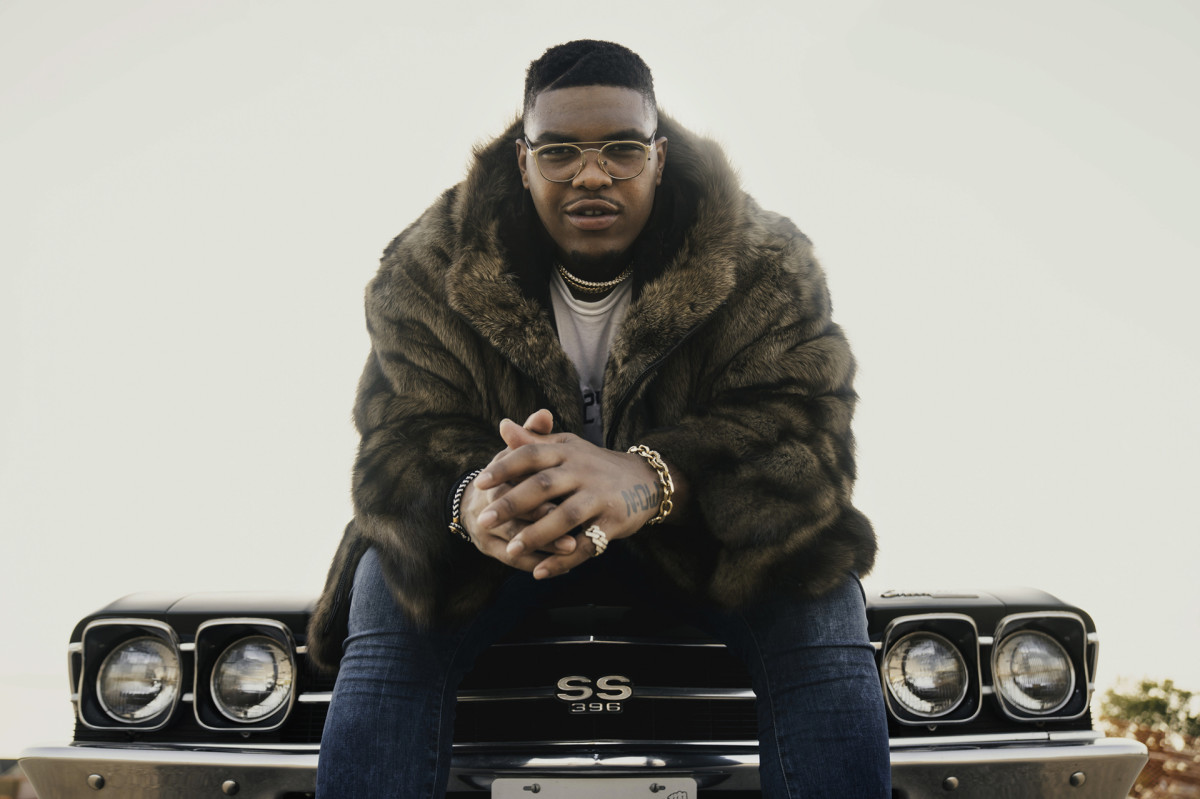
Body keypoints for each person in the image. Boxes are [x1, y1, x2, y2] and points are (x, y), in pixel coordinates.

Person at [309, 39, 890, 797]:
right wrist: (470, 502)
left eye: (621, 149)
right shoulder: (428, 266)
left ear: (658, 153)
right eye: (559, 153)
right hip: (505, 541)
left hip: (698, 536)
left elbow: (811, 446)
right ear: (523, 162)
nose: (591, 174)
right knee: (389, 584)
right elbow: (398, 442)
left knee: (823, 593)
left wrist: (646, 475)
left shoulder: (763, 261)